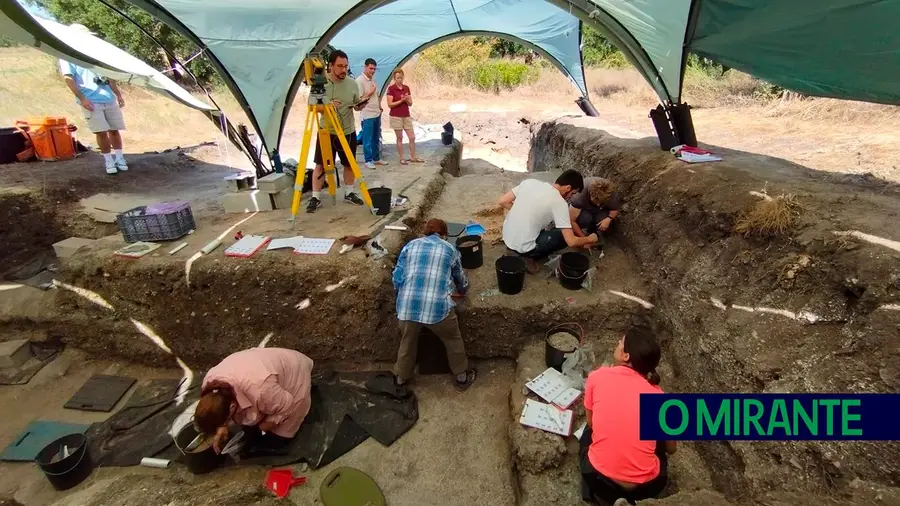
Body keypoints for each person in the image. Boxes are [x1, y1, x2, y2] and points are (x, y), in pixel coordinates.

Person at [579, 326, 676, 505]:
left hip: (600, 480)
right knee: (655, 436)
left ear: (626, 356)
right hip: (648, 486)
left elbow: (592, 424)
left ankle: (597, 495)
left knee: (586, 433)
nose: (617, 343)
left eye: (621, 342)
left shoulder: (597, 376)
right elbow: (671, 449)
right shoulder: (658, 396)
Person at [392, 218, 477, 391]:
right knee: (453, 339)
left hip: (407, 308)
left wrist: (407, 293)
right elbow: (460, 280)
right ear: (444, 235)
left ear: (425, 232)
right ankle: (461, 377)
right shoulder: (449, 249)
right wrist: (463, 290)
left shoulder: (410, 246)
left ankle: (401, 378)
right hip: (438, 310)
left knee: (407, 340)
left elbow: (397, 278)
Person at [194, 347, 314, 454]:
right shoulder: (209, 386)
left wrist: (261, 428)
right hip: (259, 369)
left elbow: (287, 404)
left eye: (225, 421)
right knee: (252, 419)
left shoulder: (260, 390)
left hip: (294, 371)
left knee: (278, 439)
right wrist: (221, 428)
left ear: (232, 407)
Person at [497, 170, 599, 273]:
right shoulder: (559, 202)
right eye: (572, 193)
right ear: (568, 188)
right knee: (562, 236)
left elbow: (502, 201)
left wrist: (524, 211)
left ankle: (513, 250)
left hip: (507, 236)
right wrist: (589, 239)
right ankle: (526, 256)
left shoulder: (530, 182)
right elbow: (571, 241)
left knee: (545, 229)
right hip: (523, 246)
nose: (570, 197)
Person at [59, 24, 128, 175]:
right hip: (91, 100)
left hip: (108, 97)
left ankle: (120, 158)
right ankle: (108, 160)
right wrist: (82, 99)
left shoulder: (95, 53)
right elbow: (68, 78)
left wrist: (118, 94)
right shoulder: (67, 56)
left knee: (114, 129)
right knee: (101, 132)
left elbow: (108, 76)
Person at [307, 49, 369, 213]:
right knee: (320, 165)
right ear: (331, 66)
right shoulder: (320, 83)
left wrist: (360, 105)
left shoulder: (352, 83)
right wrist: (326, 106)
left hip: (347, 130)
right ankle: (315, 197)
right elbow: (312, 106)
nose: (343, 70)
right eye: (340, 66)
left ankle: (349, 192)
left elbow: (355, 105)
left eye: (346, 66)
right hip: (326, 131)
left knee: (349, 163)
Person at [569, 177, 622, 249]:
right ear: (590, 194)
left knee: (603, 220)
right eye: (596, 201)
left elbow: (615, 209)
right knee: (585, 219)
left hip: (602, 210)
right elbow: (572, 220)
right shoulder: (579, 195)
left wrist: (609, 219)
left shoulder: (611, 194)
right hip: (584, 210)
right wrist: (585, 240)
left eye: (601, 201)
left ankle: (593, 230)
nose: (598, 204)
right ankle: (580, 232)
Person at [386, 68, 423, 165]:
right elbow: (390, 104)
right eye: (397, 78)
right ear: (394, 78)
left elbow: (410, 103)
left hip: (406, 115)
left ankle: (413, 156)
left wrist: (406, 100)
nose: (399, 80)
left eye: (401, 78)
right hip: (396, 116)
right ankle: (402, 158)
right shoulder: (391, 89)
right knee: (400, 137)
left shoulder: (406, 88)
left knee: (412, 137)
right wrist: (401, 101)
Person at [356, 58, 388, 169]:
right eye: (370, 68)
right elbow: (359, 99)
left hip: (376, 113)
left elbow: (377, 95)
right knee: (367, 138)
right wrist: (369, 93)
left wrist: (379, 107)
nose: (372, 71)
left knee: (376, 137)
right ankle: (368, 160)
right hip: (367, 114)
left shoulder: (373, 80)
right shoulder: (359, 81)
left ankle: (376, 158)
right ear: (365, 67)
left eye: (374, 69)